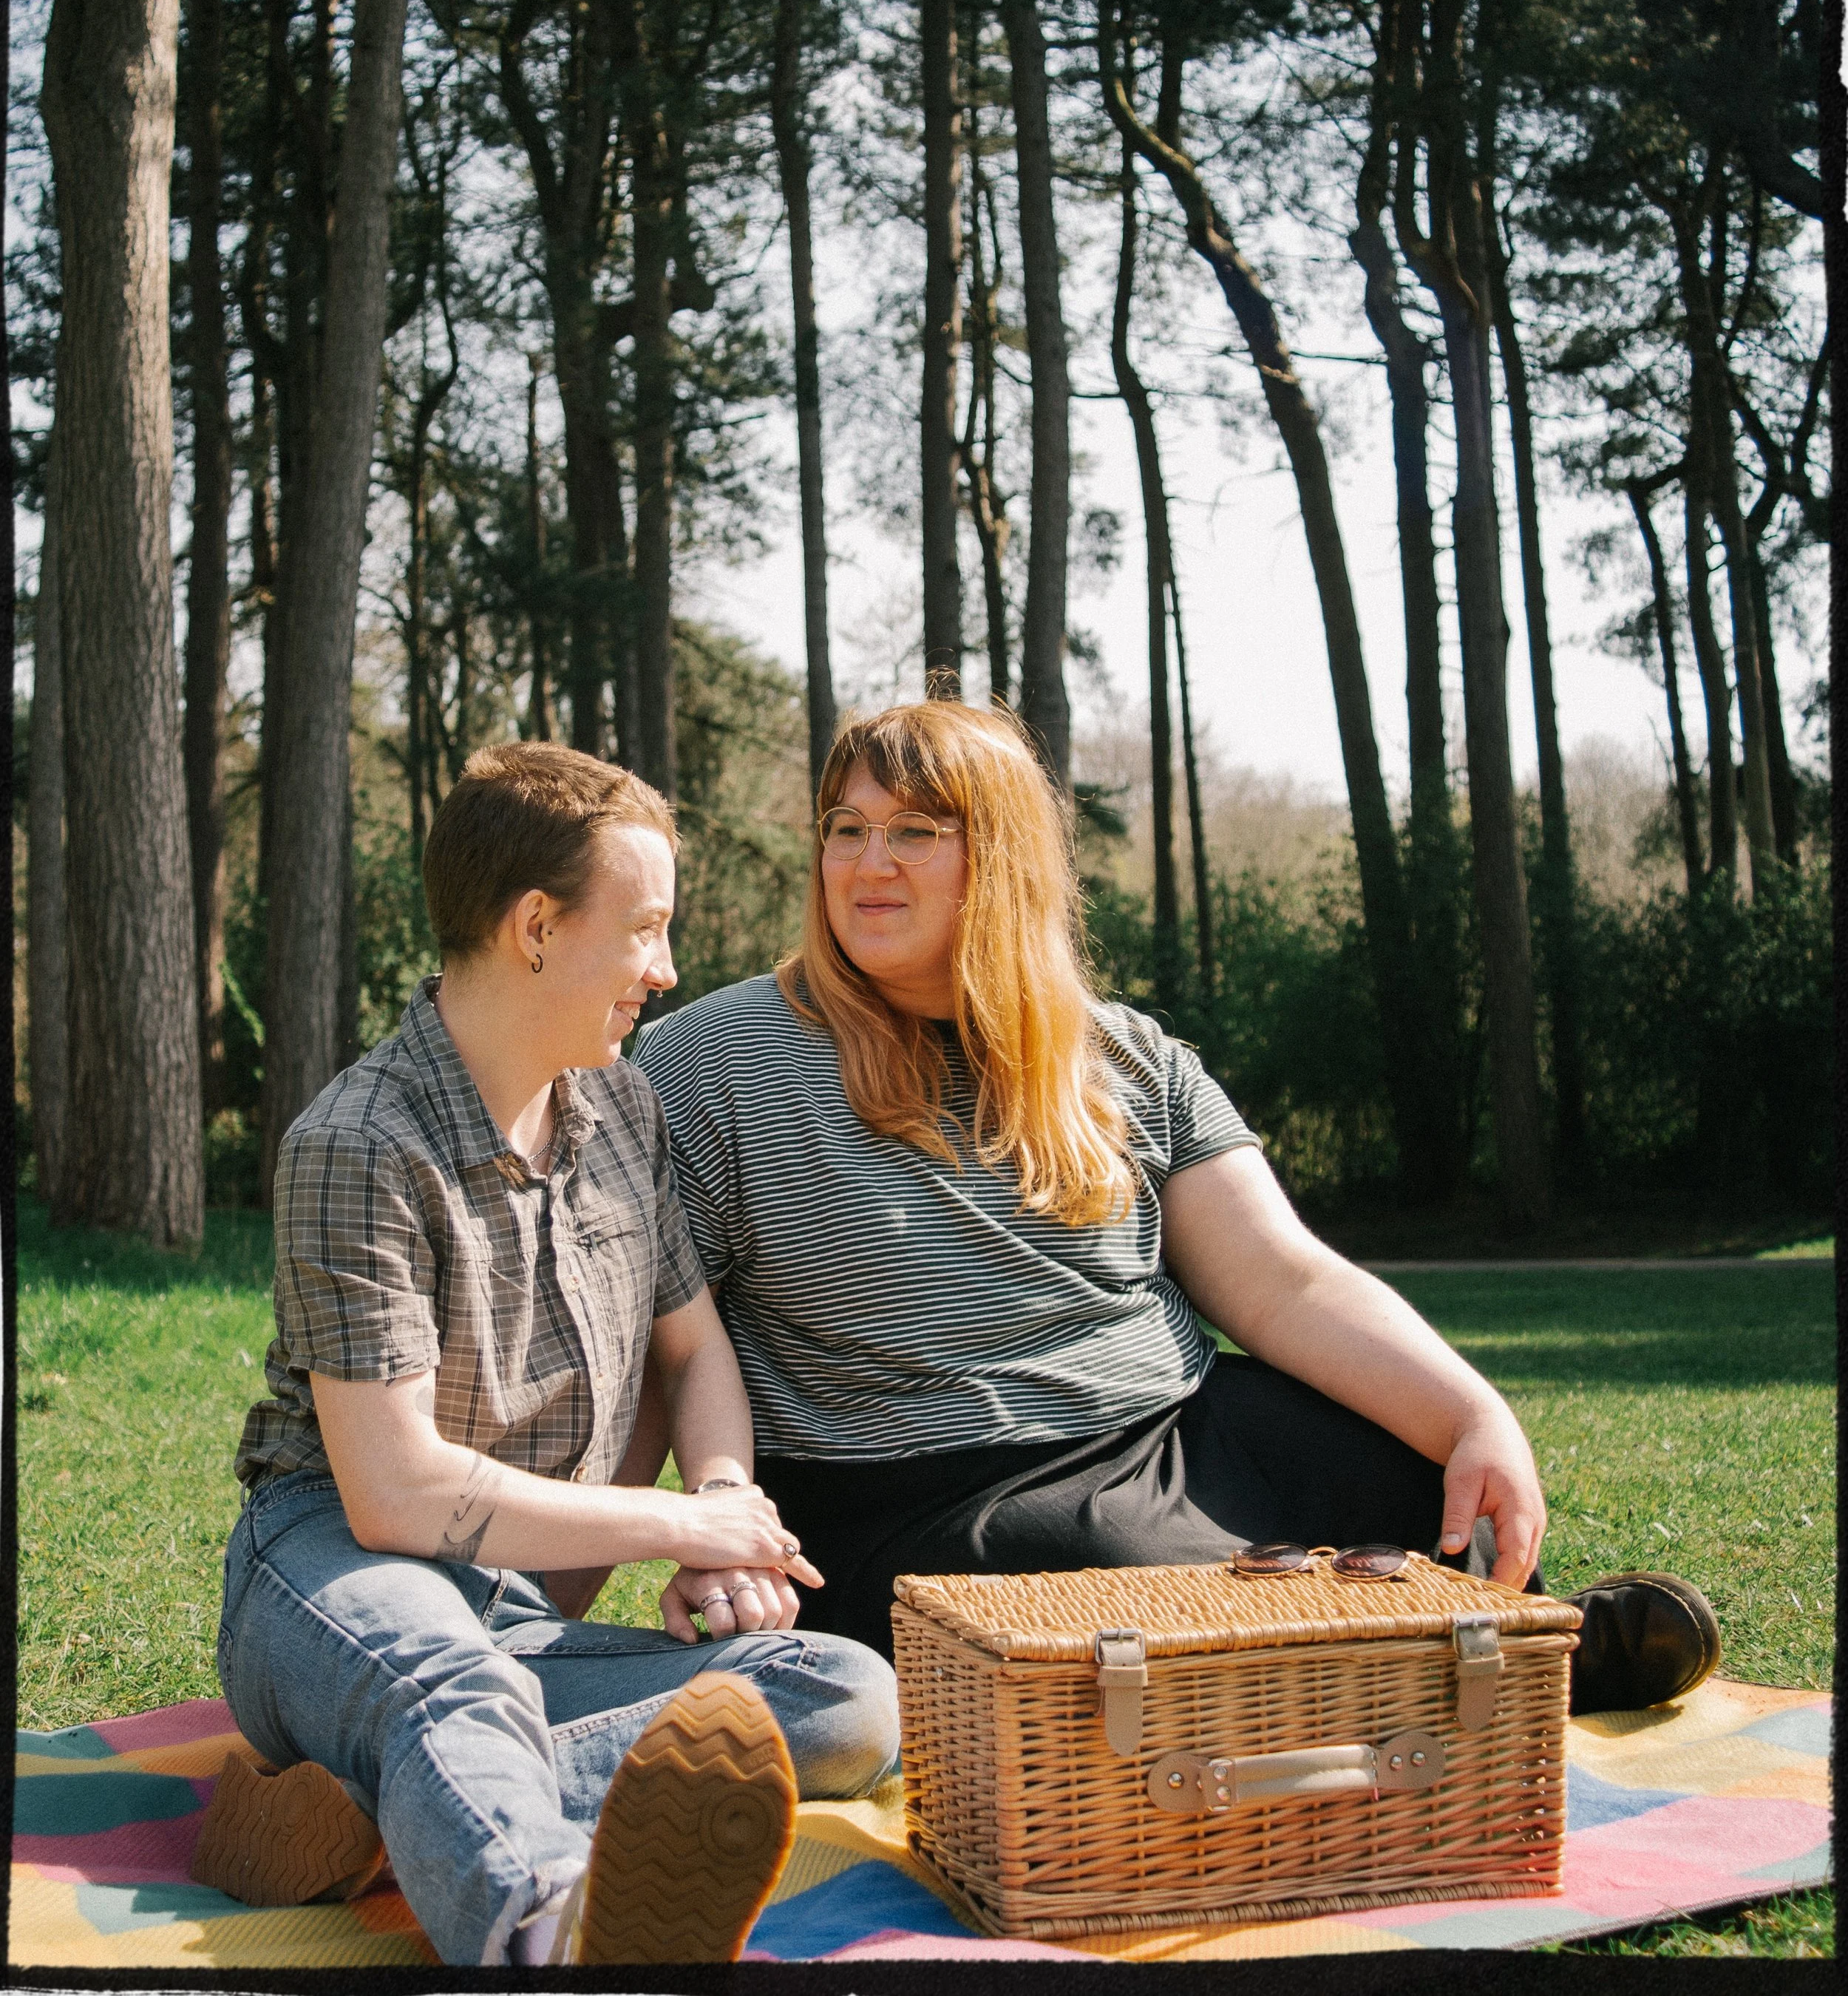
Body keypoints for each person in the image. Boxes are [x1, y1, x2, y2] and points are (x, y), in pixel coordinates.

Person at [633, 700, 1721, 1716]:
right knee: (1119, 1581)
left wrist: (1473, 1414)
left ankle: (1510, 1641)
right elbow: (665, 1339)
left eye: (915, 831)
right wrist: (688, 1528)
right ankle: (1484, 1668)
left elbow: (1287, 1279)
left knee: (1418, 1470)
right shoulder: (711, 1059)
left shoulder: (1126, 1055)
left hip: (1173, 1429)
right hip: (921, 1495)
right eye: (846, 827)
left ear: (1000, 858)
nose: (867, 863)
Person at [199, 744, 899, 1969]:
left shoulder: (621, 1109)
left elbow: (693, 1351)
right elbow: (395, 1490)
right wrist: (675, 1529)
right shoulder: (357, 1144)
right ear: (535, 927)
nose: (666, 969)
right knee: (447, 1686)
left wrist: (727, 1497)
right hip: (331, 1564)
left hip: (504, 1611)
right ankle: (556, 1930)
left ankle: (372, 1816)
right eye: (644, 928)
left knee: (840, 1692)